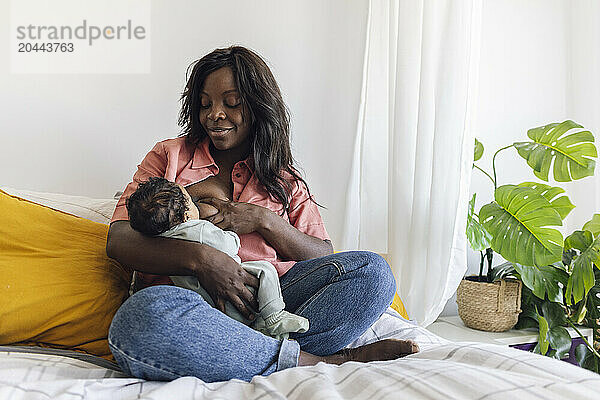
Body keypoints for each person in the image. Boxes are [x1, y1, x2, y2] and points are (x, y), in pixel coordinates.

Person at [106, 45, 418, 383]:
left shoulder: (283, 178)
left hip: (273, 302)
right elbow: (119, 240)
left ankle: (246, 353)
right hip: (190, 306)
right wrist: (204, 260)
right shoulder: (169, 157)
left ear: (257, 105)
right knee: (138, 320)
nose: (215, 115)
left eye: (231, 102)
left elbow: (324, 254)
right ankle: (316, 361)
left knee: (373, 273)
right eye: (205, 104)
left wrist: (263, 220)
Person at [125, 176, 309, 339]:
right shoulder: (200, 229)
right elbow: (230, 245)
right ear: (188, 214)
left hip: (211, 308)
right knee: (266, 270)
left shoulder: (161, 241)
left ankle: (262, 335)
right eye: (191, 200)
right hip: (242, 292)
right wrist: (229, 233)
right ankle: (274, 316)